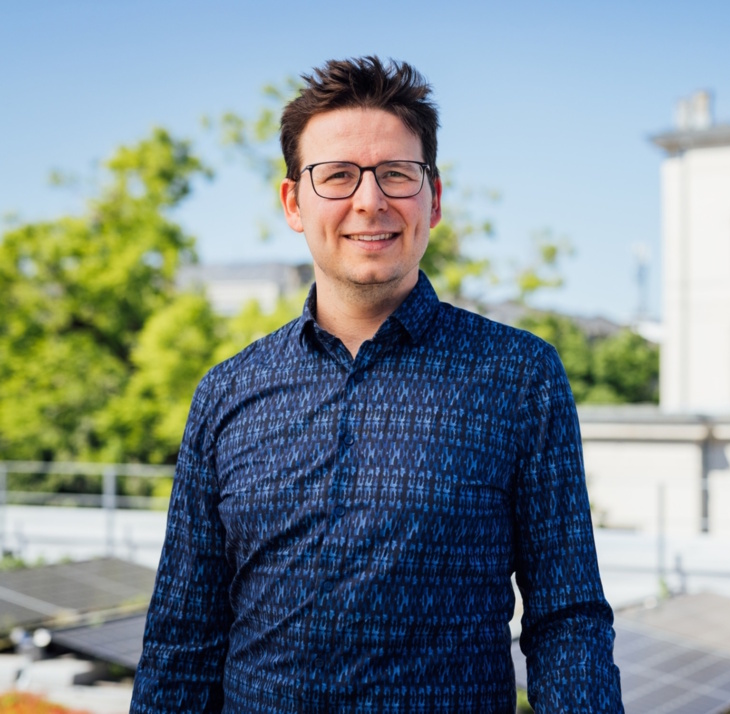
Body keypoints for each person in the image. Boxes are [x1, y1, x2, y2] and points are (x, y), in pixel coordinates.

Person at [131, 56, 622, 713]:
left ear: (433, 199)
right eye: (337, 176)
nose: (370, 201)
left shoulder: (520, 376)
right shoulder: (227, 392)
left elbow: (567, 618)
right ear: (293, 203)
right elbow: (183, 634)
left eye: (396, 173)